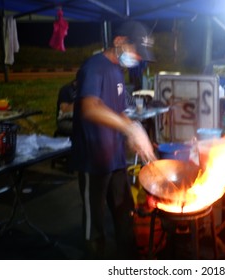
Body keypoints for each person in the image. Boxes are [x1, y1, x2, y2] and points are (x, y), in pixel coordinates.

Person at [71, 20, 156, 259]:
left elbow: (117, 111)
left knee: (124, 213)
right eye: (135, 51)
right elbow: (90, 107)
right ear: (119, 42)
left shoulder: (118, 71)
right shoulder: (94, 67)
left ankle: (128, 263)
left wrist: (134, 130)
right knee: (95, 221)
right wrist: (128, 129)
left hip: (115, 157)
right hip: (93, 159)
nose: (137, 59)